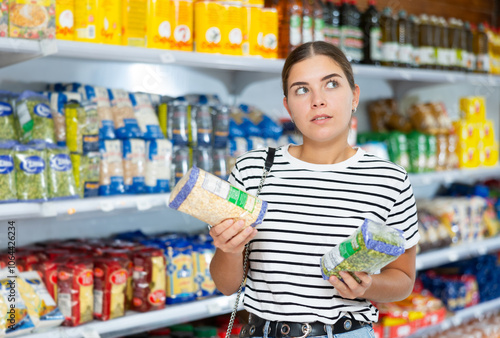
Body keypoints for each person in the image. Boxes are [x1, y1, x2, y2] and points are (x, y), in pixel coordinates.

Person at [209, 41, 419, 338]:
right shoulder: (252, 170)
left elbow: (403, 278)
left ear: (354, 95)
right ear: (288, 105)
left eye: (331, 84)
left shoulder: (389, 179)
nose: (317, 100)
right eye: (302, 89)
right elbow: (226, 284)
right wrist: (228, 250)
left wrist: (369, 286)